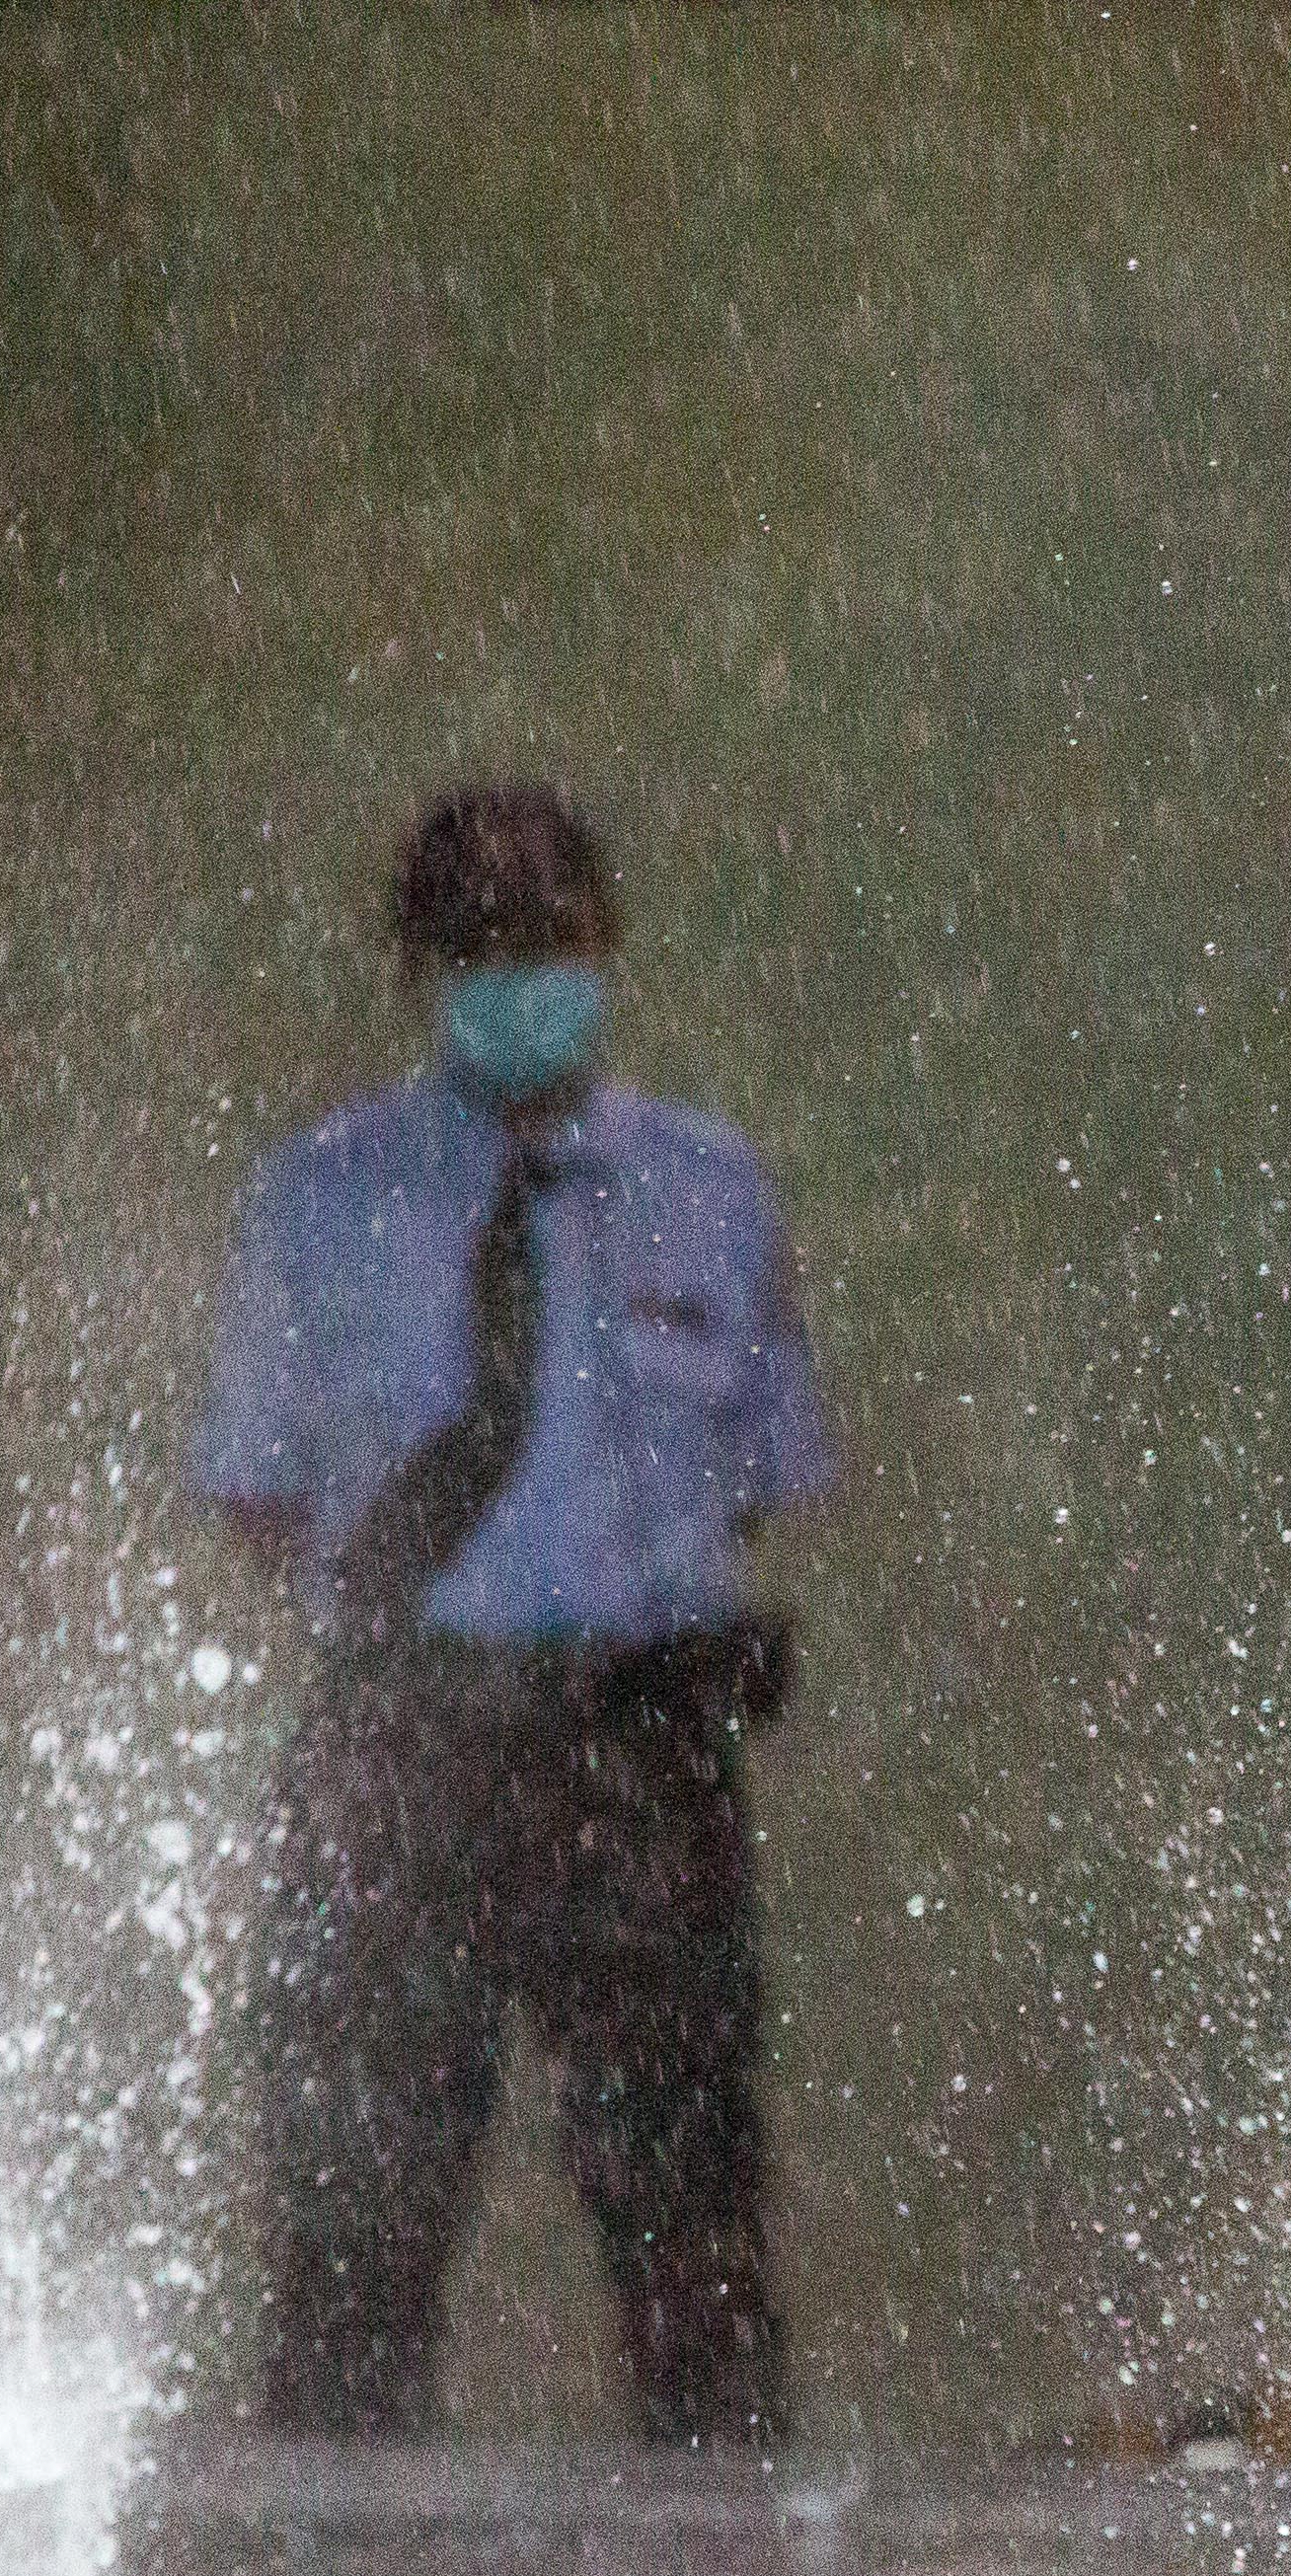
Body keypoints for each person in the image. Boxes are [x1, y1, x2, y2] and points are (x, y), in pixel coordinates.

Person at [196, 782, 839, 2448]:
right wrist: (440, 1643)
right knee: (356, 2232)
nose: (524, 983)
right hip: (408, 1745)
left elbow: (760, 1464)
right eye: (482, 953)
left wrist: (606, 1621)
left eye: (550, 946)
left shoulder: (711, 1191)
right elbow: (259, 1495)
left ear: (605, 946)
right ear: (424, 975)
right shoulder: (319, 1203)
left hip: (639, 1744)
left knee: (693, 2226)